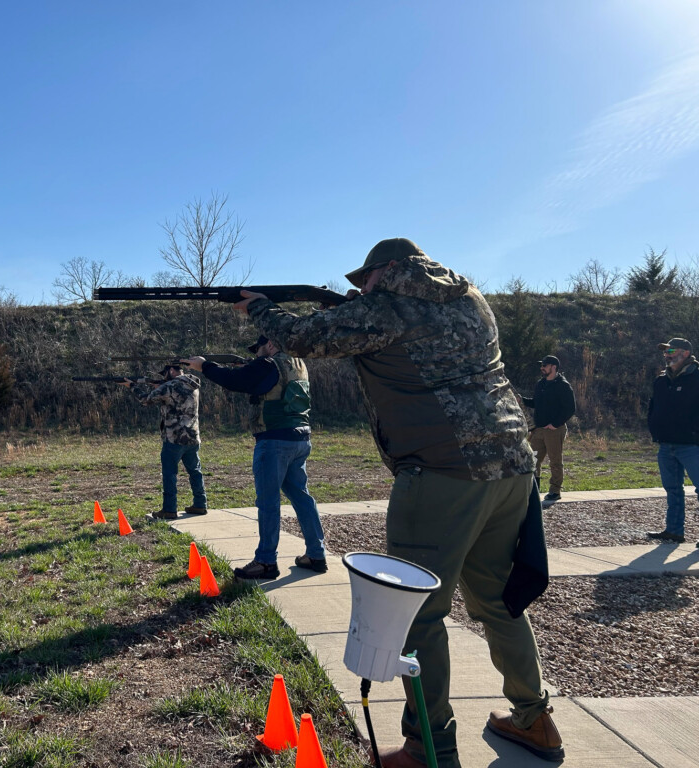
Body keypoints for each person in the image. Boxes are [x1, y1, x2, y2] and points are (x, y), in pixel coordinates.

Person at [235, 238, 562, 767]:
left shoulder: (388, 306)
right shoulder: (470, 297)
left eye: (364, 279)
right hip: (510, 465)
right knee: (498, 601)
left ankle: (428, 749)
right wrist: (349, 307)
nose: (360, 288)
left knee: (416, 614)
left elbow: (302, 338)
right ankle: (534, 718)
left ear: (387, 270)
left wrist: (259, 308)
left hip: (442, 471)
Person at [182, 336, 327, 579]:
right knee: (302, 498)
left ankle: (266, 561)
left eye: (258, 349)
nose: (257, 354)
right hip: (300, 438)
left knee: (268, 502)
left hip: (274, 440)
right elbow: (265, 383)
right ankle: (316, 554)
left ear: (270, 344)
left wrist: (204, 366)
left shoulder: (268, 364)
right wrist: (248, 368)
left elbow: (234, 381)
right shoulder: (298, 364)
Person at [120, 363, 207, 520]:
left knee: (169, 473)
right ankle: (200, 504)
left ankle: (169, 509)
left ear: (171, 371)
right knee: (195, 471)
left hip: (174, 437)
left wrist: (131, 386)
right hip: (192, 436)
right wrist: (159, 387)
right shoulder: (193, 384)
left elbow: (145, 400)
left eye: (164, 374)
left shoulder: (169, 386)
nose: (163, 377)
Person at [646, 337, 699, 544]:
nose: (666, 355)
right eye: (665, 352)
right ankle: (674, 531)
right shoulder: (661, 380)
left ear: (685, 353)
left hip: (692, 445)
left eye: (670, 351)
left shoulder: (696, 377)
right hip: (666, 444)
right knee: (673, 490)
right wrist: (654, 428)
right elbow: (653, 407)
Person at [521, 355, 576, 509]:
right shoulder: (541, 384)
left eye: (544, 365)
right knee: (532, 459)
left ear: (554, 367)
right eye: (542, 365)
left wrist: (555, 424)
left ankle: (555, 491)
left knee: (555, 461)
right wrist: (522, 400)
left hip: (554, 431)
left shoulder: (563, 386)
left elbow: (570, 408)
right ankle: (533, 490)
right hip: (538, 430)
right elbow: (535, 403)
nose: (542, 368)